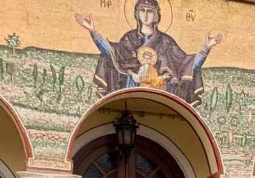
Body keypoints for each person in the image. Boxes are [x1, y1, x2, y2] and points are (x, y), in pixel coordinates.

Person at [75, 0, 222, 103]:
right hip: (130, 94)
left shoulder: (166, 42)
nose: (146, 15)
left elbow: (187, 65)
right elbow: (111, 53)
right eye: (142, 11)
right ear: (137, 14)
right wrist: (93, 31)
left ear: (156, 15)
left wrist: (207, 47)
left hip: (160, 98)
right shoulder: (129, 38)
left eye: (150, 11)